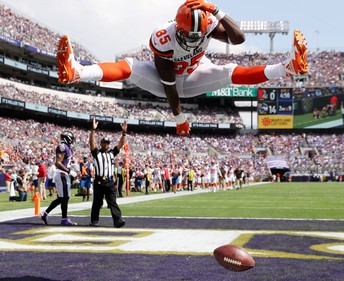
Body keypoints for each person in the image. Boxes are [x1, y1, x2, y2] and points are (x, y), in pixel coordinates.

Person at [56, 0, 307, 136]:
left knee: (230, 71)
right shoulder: (163, 39)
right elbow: (170, 87)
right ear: (178, 28)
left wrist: (217, 11)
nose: (194, 40)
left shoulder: (207, 23)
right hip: (173, 81)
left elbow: (238, 38)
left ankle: (286, 68)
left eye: (199, 35)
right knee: (130, 66)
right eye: (189, 35)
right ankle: (78, 72)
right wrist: (180, 118)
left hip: (197, 69)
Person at [89, 117, 127, 228]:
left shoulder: (111, 153)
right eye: (104, 143)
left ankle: (118, 220)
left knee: (112, 202)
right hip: (99, 181)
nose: (106, 144)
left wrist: (124, 132)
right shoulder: (96, 153)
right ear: (101, 143)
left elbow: (121, 144)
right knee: (97, 203)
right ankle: (94, 220)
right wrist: (93, 130)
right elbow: (91, 143)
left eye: (107, 143)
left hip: (110, 181)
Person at [40, 131, 78, 226]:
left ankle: (45, 213)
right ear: (67, 138)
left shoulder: (66, 147)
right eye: (71, 139)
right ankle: (64, 219)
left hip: (63, 174)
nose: (72, 141)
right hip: (62, 174)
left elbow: (63, 162)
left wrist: (71, 166)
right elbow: (58, 163)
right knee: (64, 197)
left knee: (62, 198)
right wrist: (69, 171)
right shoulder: (62, 147)